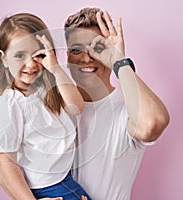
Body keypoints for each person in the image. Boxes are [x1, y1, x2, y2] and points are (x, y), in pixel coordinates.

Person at [64, 7, 170, 200]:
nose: (86, 58)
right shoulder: (55, 106)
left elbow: (152, 124)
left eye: (97, 48)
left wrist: (119, 61)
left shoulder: (129, 108)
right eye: (77, 49)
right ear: (67, 56)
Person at [0, 13, 91, 200]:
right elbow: (7, 165)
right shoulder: (8, 105)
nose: (30, 64)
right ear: (3, 58)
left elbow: (76, 107)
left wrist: (55, 67)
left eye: (38, 55)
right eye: (19, 55)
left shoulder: (48, 89)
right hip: (45, 188)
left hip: (66, 180)